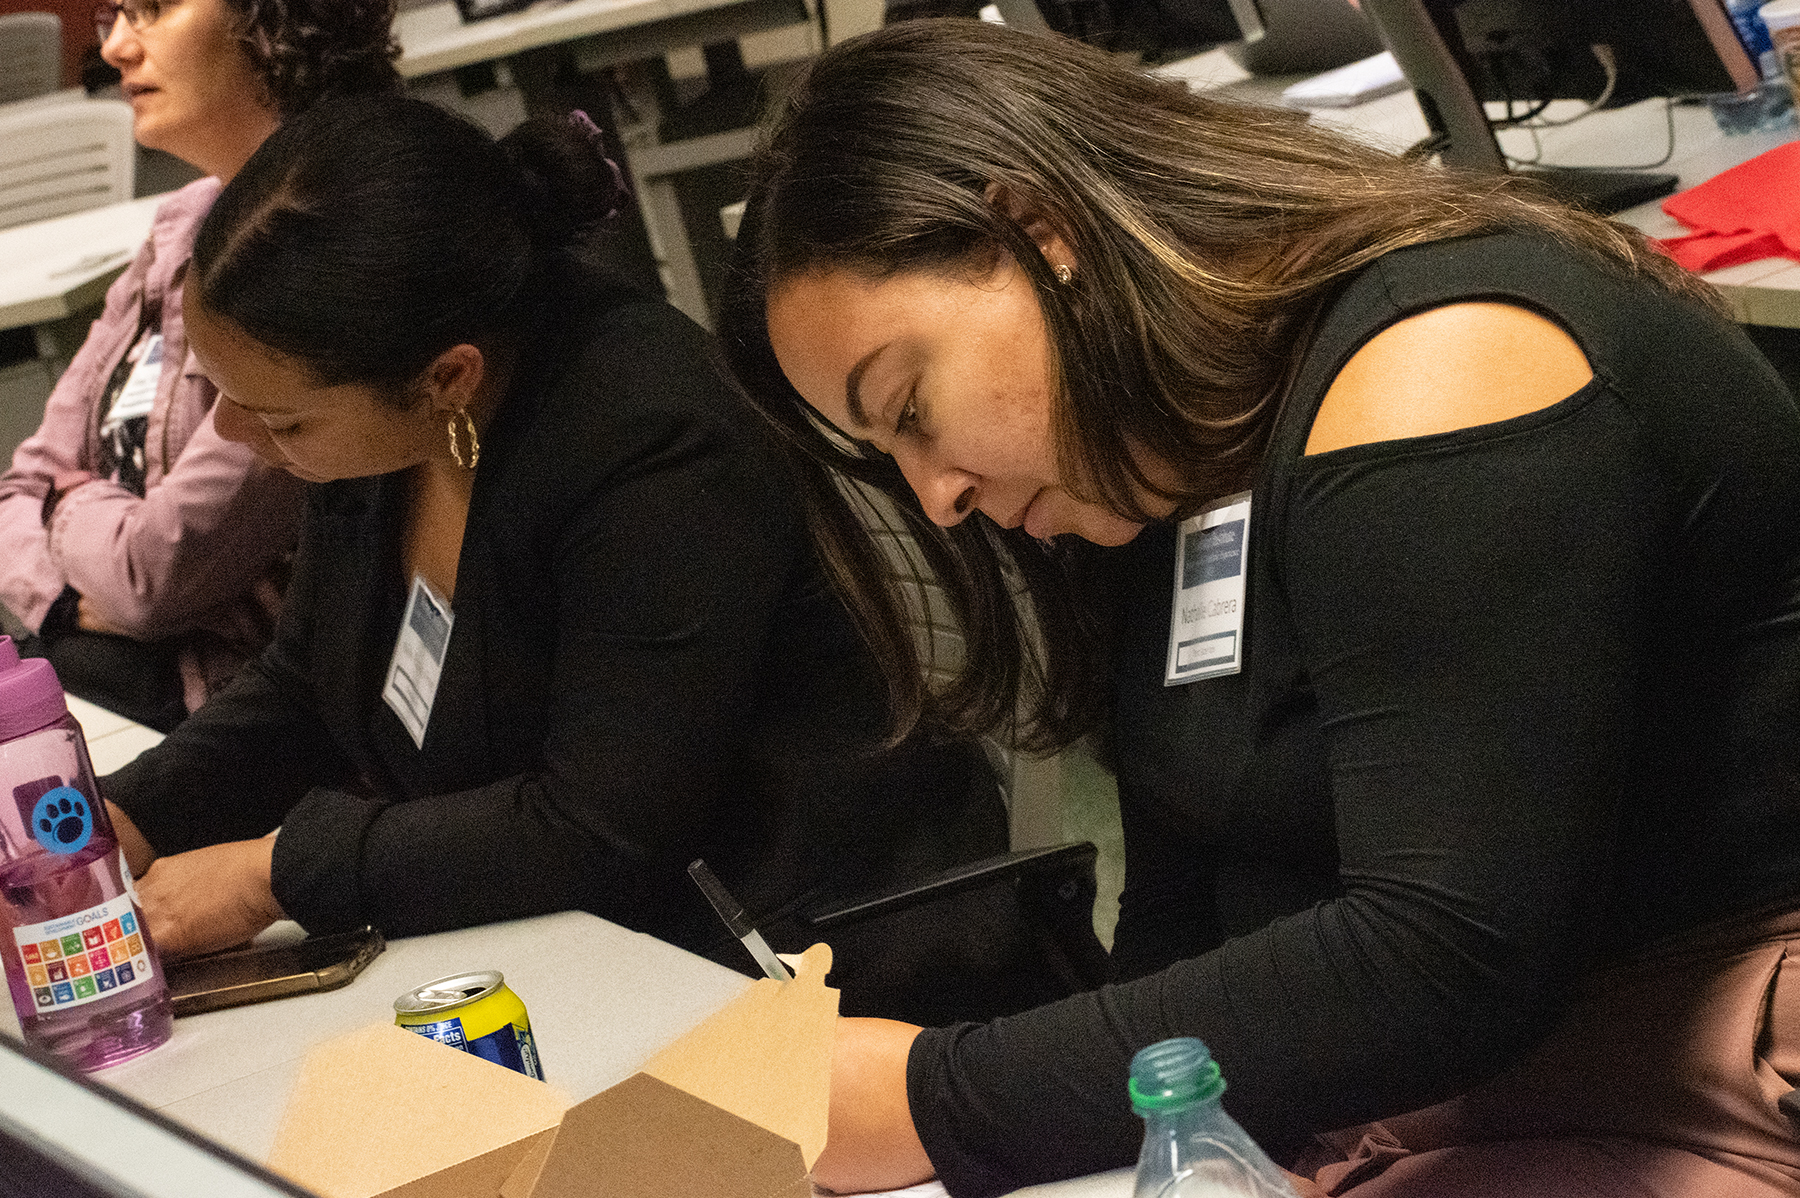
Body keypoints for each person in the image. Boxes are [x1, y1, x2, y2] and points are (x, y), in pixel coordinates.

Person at [719, 20, 1800, 1198]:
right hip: (1448, 1090)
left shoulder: (1451, 367)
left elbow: (1447, 958)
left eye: (911, 404)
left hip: (1710, 1078)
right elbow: (1189, 909)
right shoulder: (1161, 453)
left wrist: (935, 1096)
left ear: (1041, 235)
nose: (940, 499)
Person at [101, 93, 1013, 1025]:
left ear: (446, 377)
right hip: (578, 945)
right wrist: (123, 818)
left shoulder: (651, 436)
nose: (233, 431)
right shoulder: (392, 416)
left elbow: (602, 826)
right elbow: (306, 682)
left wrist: (276, 873)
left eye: (282, 416)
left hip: (811, 963)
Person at [0, 0, 399, 731]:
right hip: (129, 672)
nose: (117, 47)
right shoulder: (182, 223)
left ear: (272, 18)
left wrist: (68, 501)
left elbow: (154, 578)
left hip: (251, 716)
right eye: (112, 15)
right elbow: (18, 484)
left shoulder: (331, 239)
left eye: (151, 9)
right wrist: (64, 599)